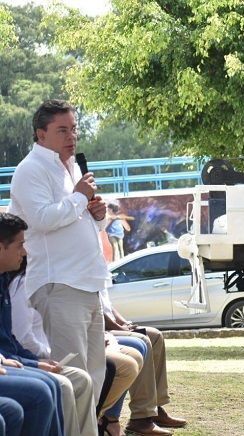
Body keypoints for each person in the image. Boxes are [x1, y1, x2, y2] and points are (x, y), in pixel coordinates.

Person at [9, 99, 108, 400]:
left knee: (94, 378)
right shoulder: (31, 170)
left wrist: (99, 216)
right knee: (74, 382)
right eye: (62, 130)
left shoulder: (72, 167)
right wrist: (80, 198)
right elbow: (41, 219)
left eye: (74, 129)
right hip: (60, 284)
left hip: (87, 283)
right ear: (41, 135)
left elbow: (81, 222)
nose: (71, 137)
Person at [5, 258, 96, 436]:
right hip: (12, 362)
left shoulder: (5, 285)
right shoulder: (18, 285)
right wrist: (37, 362)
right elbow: (22, 340)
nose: (24, 252)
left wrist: (37, 362)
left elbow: (11, 341)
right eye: (20, 245)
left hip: (18, 359)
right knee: (55, 385)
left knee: (81, 378)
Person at [101, 288, 187, 433]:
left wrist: (125, 324)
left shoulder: (98, 270)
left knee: (155, 335)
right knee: (142, 341)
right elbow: (96, 311)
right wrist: (120, 328)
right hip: (102, 330)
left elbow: (108, 306)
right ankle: (141, 417)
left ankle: (156, 408)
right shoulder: (83, 270)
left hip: (110, 327)